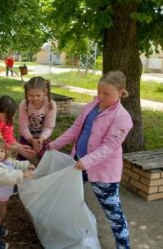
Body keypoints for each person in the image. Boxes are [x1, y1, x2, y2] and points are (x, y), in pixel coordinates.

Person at [48, 71, 133, 249]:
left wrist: (87, 161)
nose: (100, 96)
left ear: (120, 92)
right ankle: (67, 233)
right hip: (79, 162)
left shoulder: (122, 117)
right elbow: (76, 128)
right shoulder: (93, 105)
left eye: (106, 94)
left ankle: (123, 246)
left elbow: (110, 147)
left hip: (102, 173)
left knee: (114, 214)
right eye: (98, 91)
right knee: (67, 197)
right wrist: (55, 144)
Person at [0, 138, 35, 249]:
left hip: (1, 197)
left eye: (2, 151)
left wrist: (26, 165)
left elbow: (15, 164)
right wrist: (22, 174)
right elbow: (5, 177)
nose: (0, 154)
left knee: (2, 213)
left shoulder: (6, 160)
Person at [18, 76, 57, 161]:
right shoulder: (24, 104)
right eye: (31, 95)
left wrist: (41, 139)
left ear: (45, 93)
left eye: (38, 95)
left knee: (47, 158)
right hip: (27, 136)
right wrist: (31, 140)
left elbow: (49, 127)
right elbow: (23, 127)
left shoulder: (51, 105)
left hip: (43, 137)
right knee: (23, 156)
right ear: (27, 93)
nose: (35, 98)